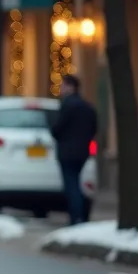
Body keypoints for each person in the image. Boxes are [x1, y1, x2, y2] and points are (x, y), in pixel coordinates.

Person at [49, 74, 98, 225]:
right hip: (82, 151)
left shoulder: (67, 105)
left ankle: (76, 217)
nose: (61, 89)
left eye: (63, 86)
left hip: (67, 152)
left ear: (70, 87)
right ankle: (81, 214)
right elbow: (94, 128)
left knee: (71, 185)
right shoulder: (88, 107)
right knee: (76, 182)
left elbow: (57, 128)